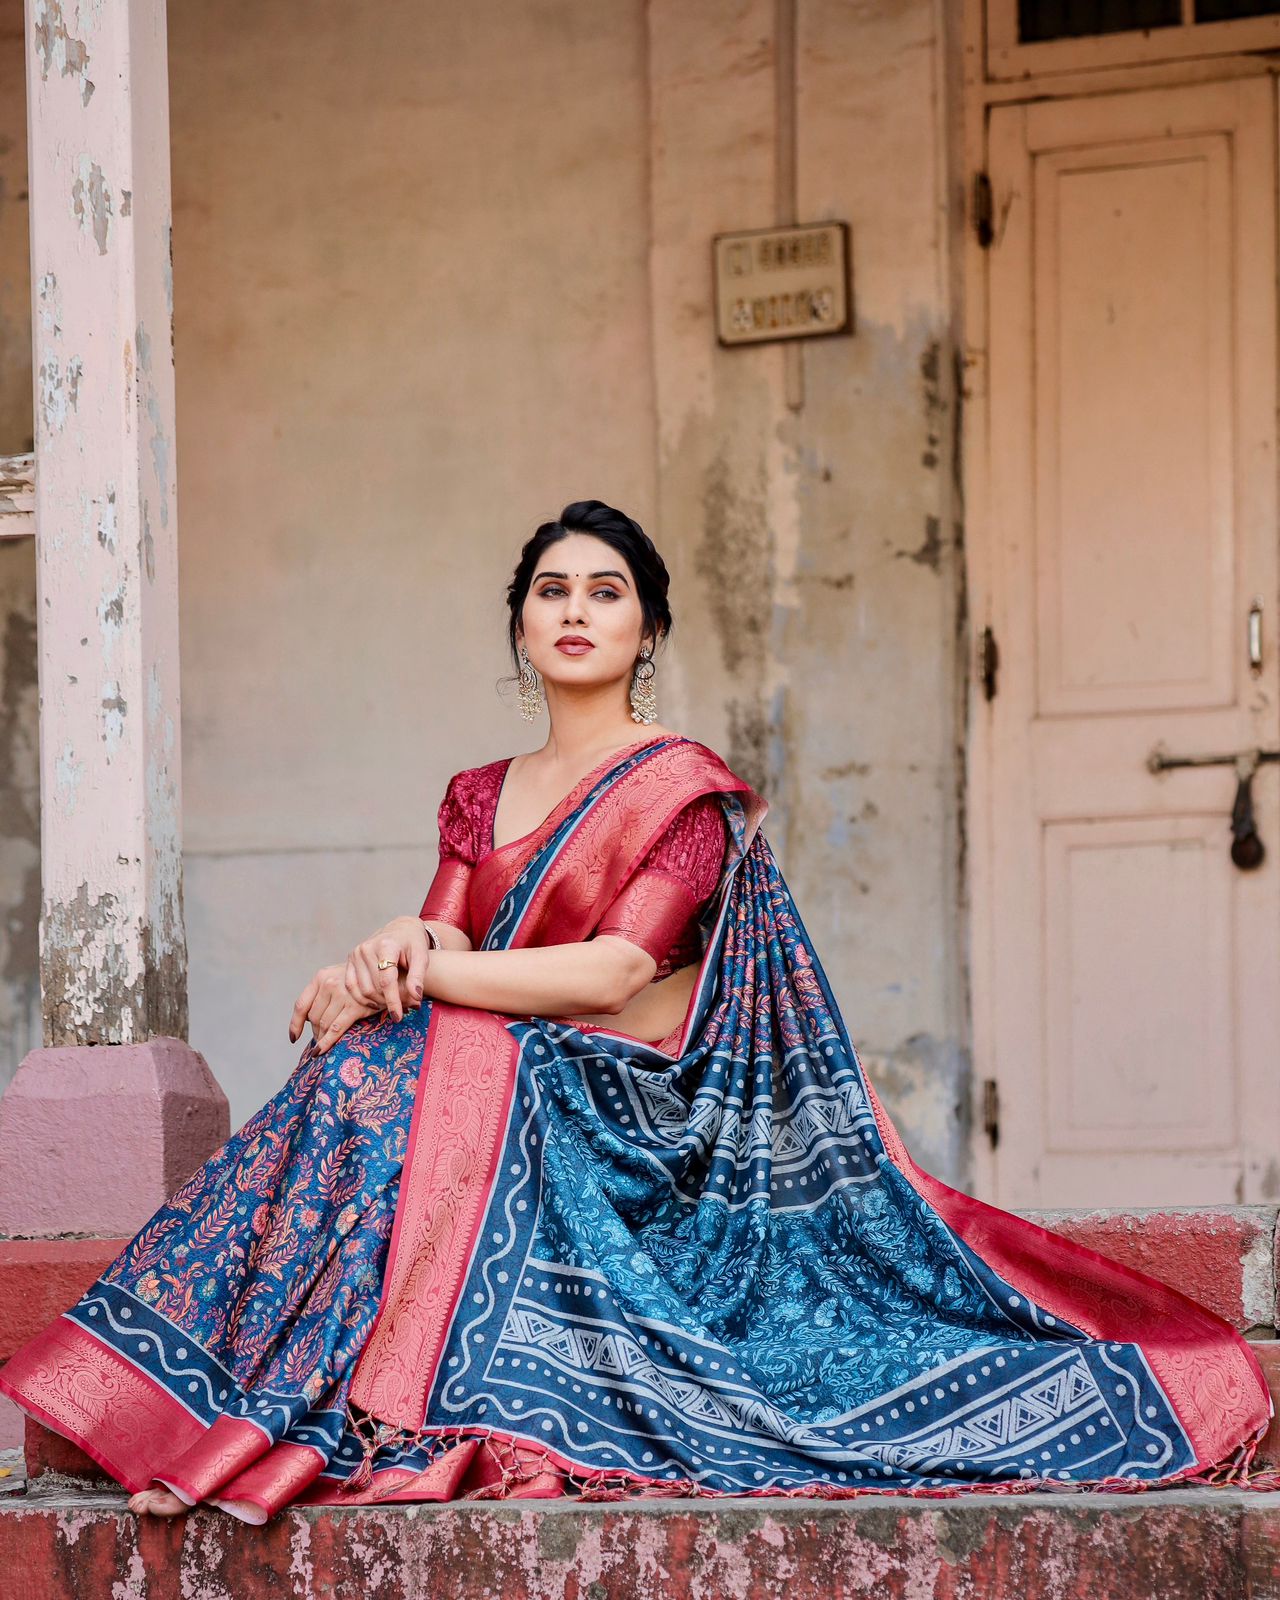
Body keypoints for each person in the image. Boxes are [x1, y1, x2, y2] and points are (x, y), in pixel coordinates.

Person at [0, 500, 1272, 1524]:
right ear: (516, 627)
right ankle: (235, 1403)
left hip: (647, 1103)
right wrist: (385, 950)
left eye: (604, 592)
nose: (574, 611)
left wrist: (420, 973)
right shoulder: (478, 789)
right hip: (503, 1069)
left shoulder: (680, 790)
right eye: (551, 591)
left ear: (648, 628)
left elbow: (614, 973)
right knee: (365, 1053)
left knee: (393, 1054)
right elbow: (450, 924)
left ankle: (272, 1404)